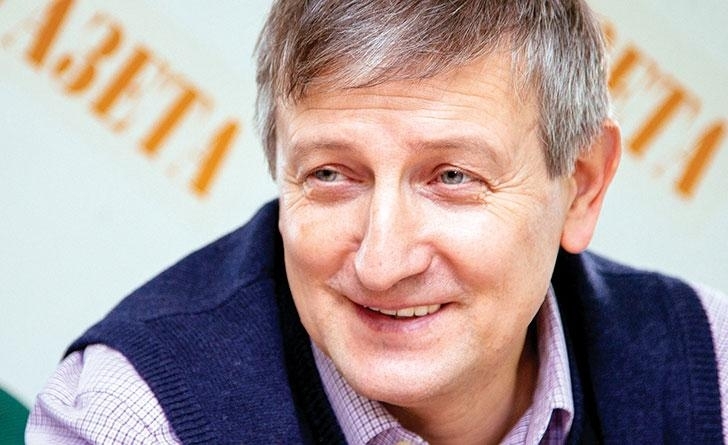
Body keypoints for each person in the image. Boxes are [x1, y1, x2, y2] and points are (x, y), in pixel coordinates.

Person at [26, 0, 728, 443]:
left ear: (581, 186)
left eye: (452, 177)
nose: (382, 262)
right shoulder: (133, 416)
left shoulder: (710, 374)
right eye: (331, 175)